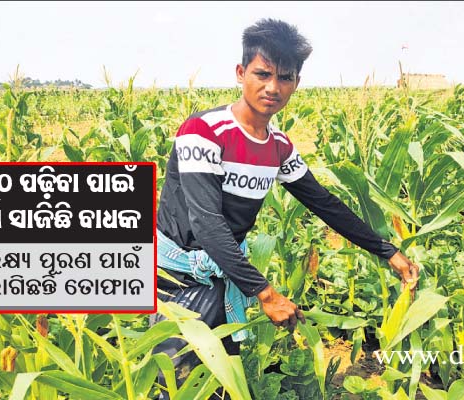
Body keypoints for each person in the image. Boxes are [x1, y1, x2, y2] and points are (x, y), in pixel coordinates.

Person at [151, 18, 420, 399]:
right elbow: (206, 223)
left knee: (218, 383)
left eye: (285, 77)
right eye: (262, 74)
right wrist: (266, 294)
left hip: (226, 270)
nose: (273, 87)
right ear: (241, 73)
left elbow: (323, 203)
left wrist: (387, 250)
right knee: (175, 383)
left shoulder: (277, 147)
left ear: (296, 82)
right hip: (180, 276)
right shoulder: (204, 132)